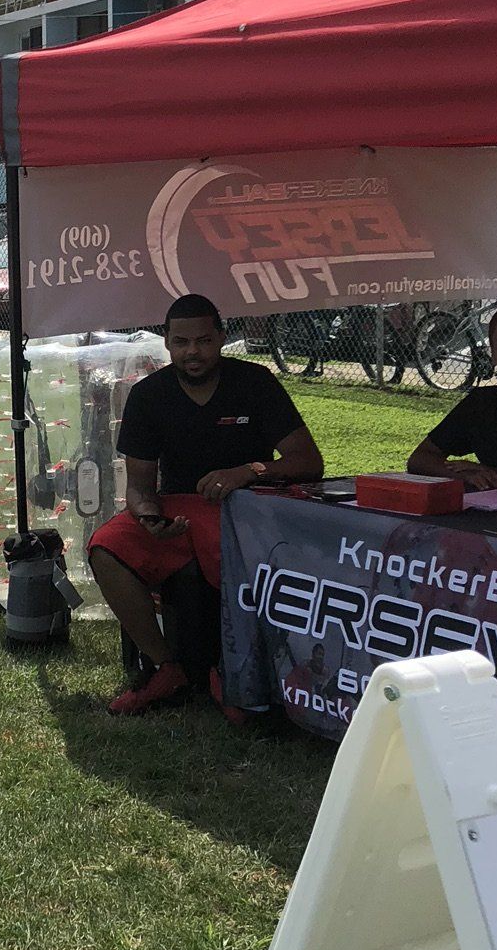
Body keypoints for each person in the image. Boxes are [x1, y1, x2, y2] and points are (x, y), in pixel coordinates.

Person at [89, 293, 324, 717]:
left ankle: (235, 669)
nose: (192, 352)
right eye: (181, 342)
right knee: (105, 546)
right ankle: (164, 666)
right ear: (167, 343)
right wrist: (147, 516)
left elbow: (309, 462)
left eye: (202, 340)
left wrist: (249, 471)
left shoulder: (255, 383)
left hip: (250, 510)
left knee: (237, 567)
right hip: (178, 511)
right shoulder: (148, 395)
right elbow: (140, 487)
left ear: (220, 338)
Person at [408, 291, 497, 491]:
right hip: (491, 517)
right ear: (493, 352)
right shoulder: (481, 403)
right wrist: (465, 474)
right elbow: (420, 459)